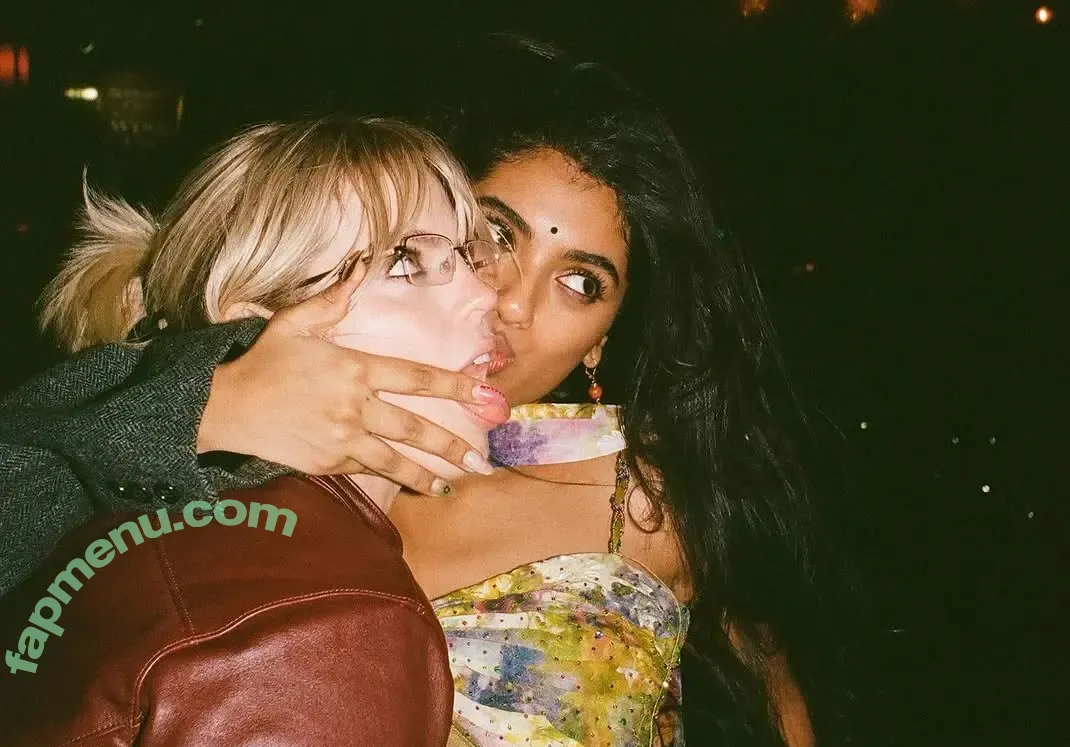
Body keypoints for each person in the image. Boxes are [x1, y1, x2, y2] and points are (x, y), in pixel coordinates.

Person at [0, 38, 831, 746]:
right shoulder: (223, 461)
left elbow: (762, 673)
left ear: (602, 340)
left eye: (581, 282)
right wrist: (202, 401)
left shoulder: (641, 489)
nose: (509, 301)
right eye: (491, 236)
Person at [0, 115, 516, 746]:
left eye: (468, 255)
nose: (488, 296)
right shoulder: (325, 622)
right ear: (250, 325)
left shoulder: (168, 522)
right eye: (406, 262)